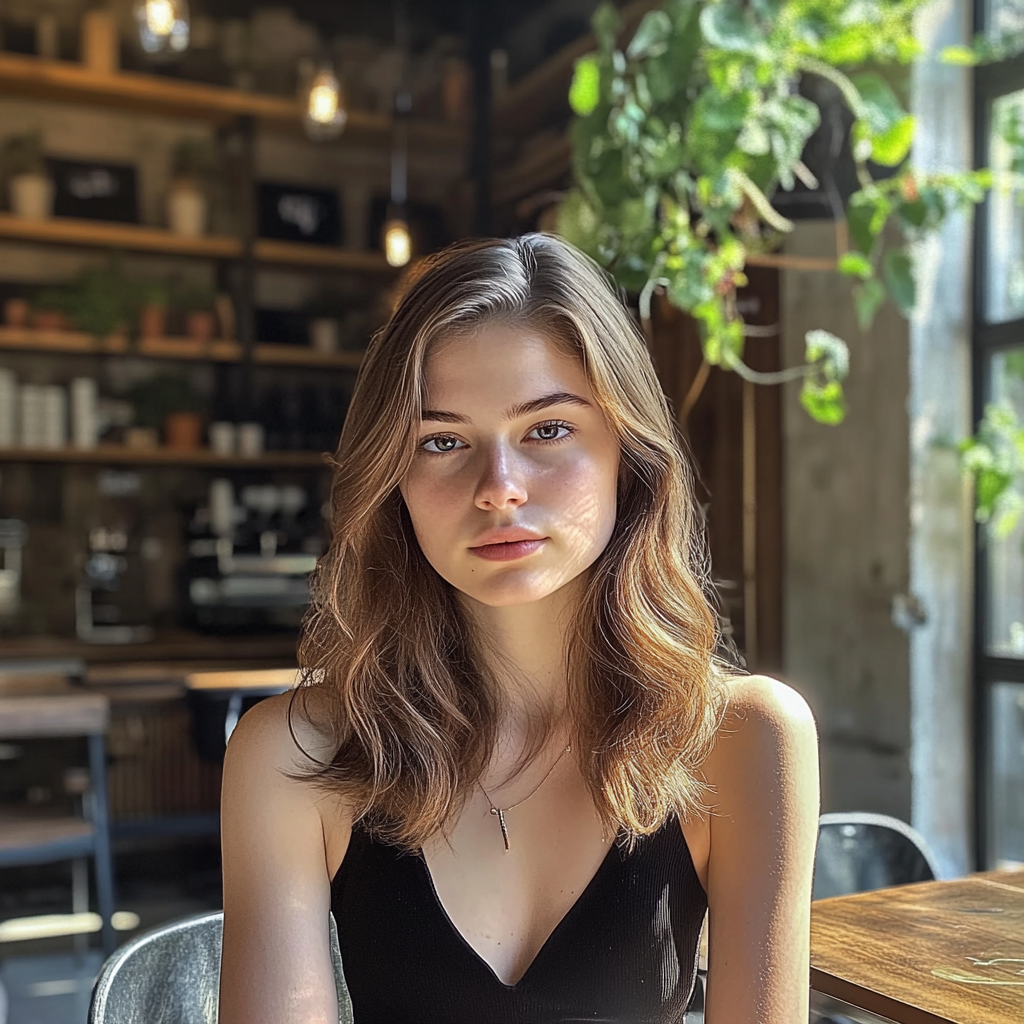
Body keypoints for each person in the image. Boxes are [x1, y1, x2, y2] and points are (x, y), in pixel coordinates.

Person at [218, 234, 820, 1024]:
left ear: (626, 454)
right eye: (442, 441)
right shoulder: (294, 757)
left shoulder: (746, 739)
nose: (499, 489)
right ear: (392, 481)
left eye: (548, 430)